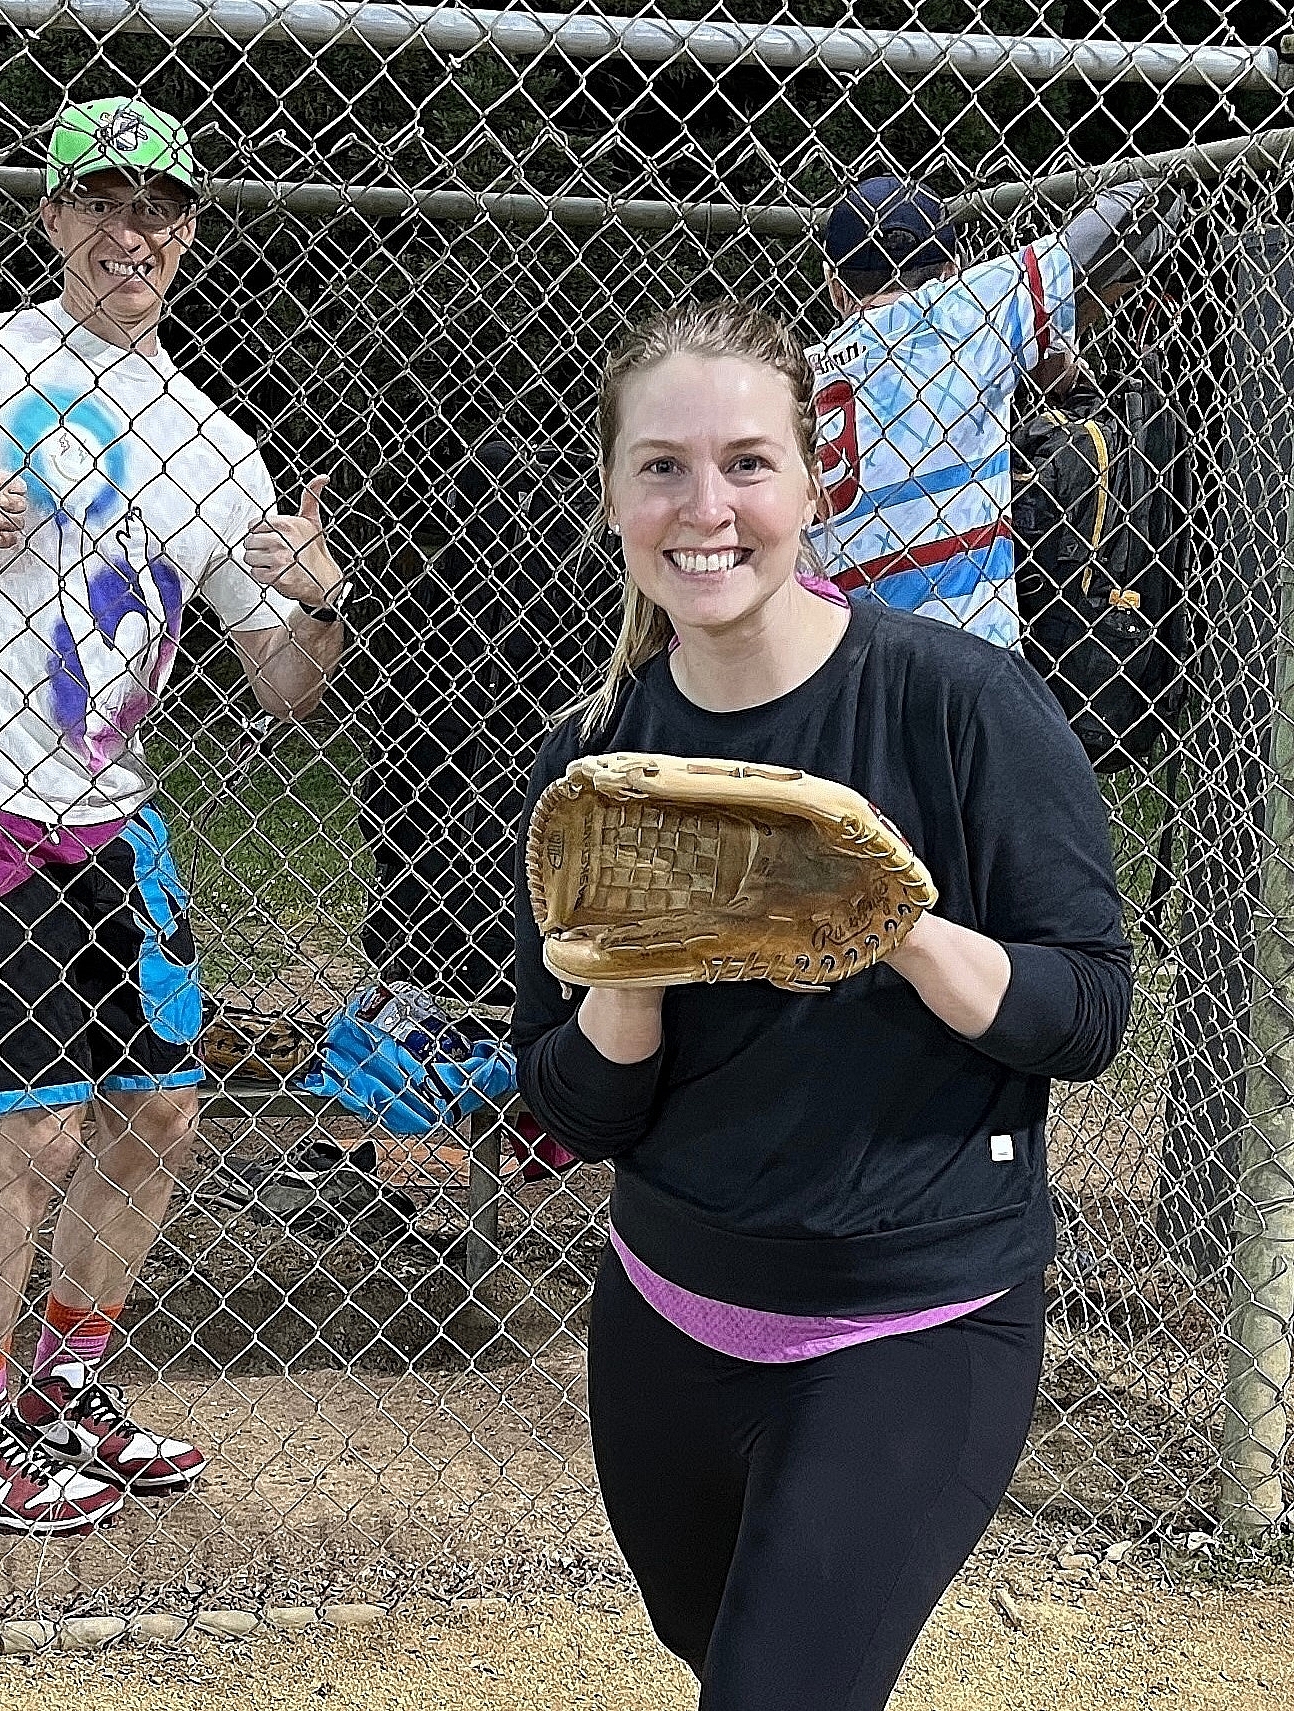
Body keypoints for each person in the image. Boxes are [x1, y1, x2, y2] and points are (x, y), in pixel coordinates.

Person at [512, 299, 1130, 1710]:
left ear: (810, 485)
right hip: (668, 1313)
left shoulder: (959, 706)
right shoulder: (600, 763)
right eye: (661, 465)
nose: (705, 506)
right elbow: (562, 1099)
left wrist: (901, 927)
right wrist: (625, 993)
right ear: (612, 492)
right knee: (717, 1649)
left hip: (913, 1320)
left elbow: (1089, 1011)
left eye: (747, 462)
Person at [0, 96, 348, 1536]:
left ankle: (62, 1390)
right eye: (97, 201)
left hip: (111, 810)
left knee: (159, 1106)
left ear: (190, 235)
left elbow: (282, 685)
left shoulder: (218, 446)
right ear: (51, 218)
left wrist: (324, 598)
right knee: (31, 1132)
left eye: (155, 208)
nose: (126, 231)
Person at [809, 170, 1181, 646]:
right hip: (962, 658)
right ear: (950, 271)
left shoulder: (793, 377)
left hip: (841, 666)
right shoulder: (956, 314)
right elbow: (1146, 206)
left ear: (834, 288)